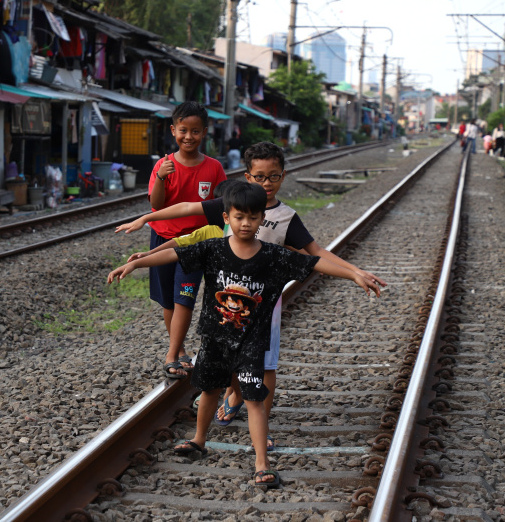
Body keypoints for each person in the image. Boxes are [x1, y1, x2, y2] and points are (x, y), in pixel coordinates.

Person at [108, 182, 382, 487]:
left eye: (253, 218)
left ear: (262, 219)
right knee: (209, 390)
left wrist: (355, 273)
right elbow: (175, 254)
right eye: (239, 217)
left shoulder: (273, 256)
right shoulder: (213, 249)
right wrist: (136, 264)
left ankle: (262, 463)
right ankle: (199, 439)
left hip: (251, 342)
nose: (246, 223)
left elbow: (315, 262)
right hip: (214, 337)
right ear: (226, 217)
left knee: (253, 399)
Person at [147, 101, 227, 379]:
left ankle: (173, 354)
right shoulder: (164, 165)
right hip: (163, 240)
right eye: (183, 130)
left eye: (195, 131)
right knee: (168, 302)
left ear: (204, 132)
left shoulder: (214, 168)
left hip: (196, 244)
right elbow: (156, 206)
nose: (189, 137)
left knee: (185, 298)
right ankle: (179, 351)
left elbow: (220, 209)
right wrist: (160, 177)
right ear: (173, 131)